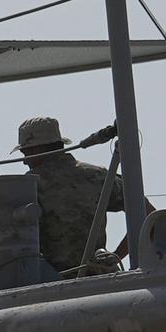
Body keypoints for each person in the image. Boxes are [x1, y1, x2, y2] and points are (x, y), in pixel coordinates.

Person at [18, 118, 123, 276]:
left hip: (53, 284)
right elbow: (147, 212)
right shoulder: (98, 176)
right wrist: (114, 257)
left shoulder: (30, 184)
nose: (24, 161)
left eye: (26, 153)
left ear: (37, 150)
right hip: (100, 278)